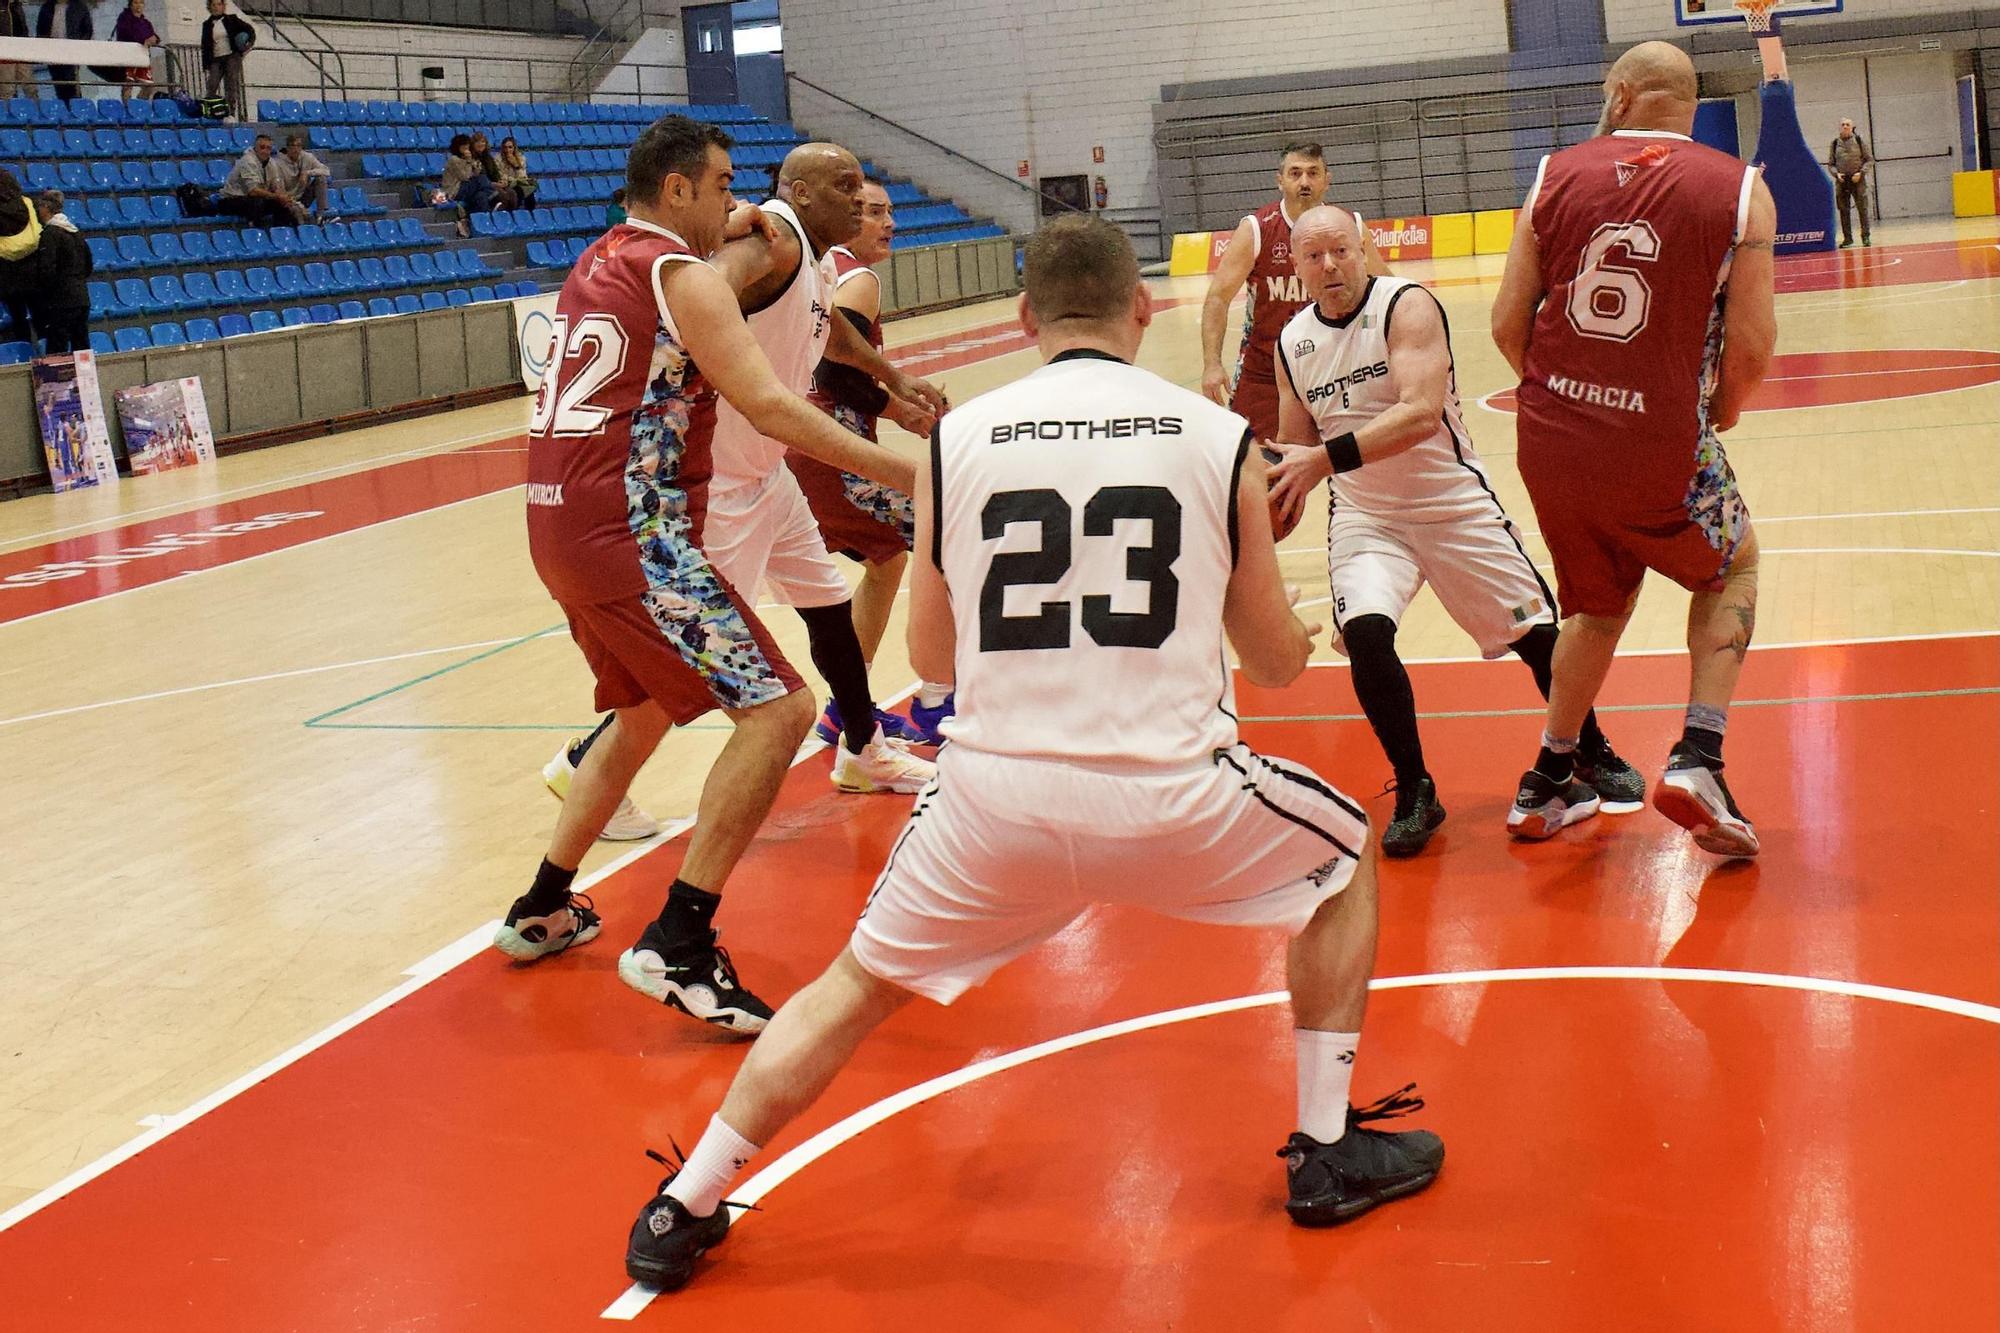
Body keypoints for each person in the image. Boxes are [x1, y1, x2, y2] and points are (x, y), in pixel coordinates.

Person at [621, 216, 1445, 1294]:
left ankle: (681, 1204)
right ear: (1139, 309)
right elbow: (1273, 664)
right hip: (1171, 796)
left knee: (852, 986)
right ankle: (1325, 1148)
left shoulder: (955, 445)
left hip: (989, 803)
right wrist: (1302, 623)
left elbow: (928, 654)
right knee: (1339, 862)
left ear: (1022, 319)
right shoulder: (1212, 435)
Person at [497, 115, 930, 1036]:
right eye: (722, 183)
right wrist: (924, 471)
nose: (735, 201)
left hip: (554, 519)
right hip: (634, 526)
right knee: (775, 711)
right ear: (680, 188)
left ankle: (543, 902)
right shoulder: (691, 269)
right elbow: (772, 405)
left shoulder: (598, 258)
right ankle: (680, 942)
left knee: (646, 710)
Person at [546, 146, 947, 831]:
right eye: (845, 188)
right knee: (689, 658)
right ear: (798, 191)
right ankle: (584, 763)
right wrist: (732, 227)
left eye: (867, 192)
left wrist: (893, 380)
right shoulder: (775, 240)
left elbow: (828, 341)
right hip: (719, 478)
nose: (860, 202)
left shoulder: (816, 260)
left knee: (827, 604)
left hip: (769, 471)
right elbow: (701, 294)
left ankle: (863, 750)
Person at [1265, 208, 1642, 856]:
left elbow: (1417, 415)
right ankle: (1415, 788)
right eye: (1312, 257)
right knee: (1365, 635)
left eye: (1339, 251)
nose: (1328, 266)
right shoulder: (1293, 342)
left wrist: (1321, 461)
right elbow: (1294, 451)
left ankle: (1586, 747)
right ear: (1295, 267)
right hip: (1366, 517)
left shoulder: (1406, 308)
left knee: (1538, 636)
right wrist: (1260, 503)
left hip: (1450, 503)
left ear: (1363, 250)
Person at [1490, 42, 1777, 857]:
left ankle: (1549, 776)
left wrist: (1573, 399)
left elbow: (1509, 325)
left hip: (1548, 440)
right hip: (1657, 442)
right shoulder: (1740, 192)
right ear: (1690, 105)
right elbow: (1752, 348)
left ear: (1619, 94)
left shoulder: (1552, 176)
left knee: (1596, 605)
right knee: (1734, 564)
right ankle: (1701, 757)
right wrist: (1709, 413)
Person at [787, 179, 955, 744]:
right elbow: (833, 373)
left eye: (890, 211)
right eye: (873, 212)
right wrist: (899, 407)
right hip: (828, 449)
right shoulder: (856, 278)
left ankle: (846, 707)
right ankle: (940, 698)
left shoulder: (819, 269)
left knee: (886, 559)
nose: (889, 222)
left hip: (807, 448)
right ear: (844, 213)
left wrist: (894, 402)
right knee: (949, 537)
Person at [1201, 141, 1390, 442]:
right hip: (1266, 373)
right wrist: (1212, 364)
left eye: (1313, 173)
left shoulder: (1351, 225)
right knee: (1261, 470)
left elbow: (1385, 291)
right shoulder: (1257, 229)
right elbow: (1217, 298)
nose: (1304, 182)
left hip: (1340, 368)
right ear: (1280, 180)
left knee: (1357, 463)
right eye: (1295, 173)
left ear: (1327, 179)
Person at [27, 189, 90, 354]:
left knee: (57, 347)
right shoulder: (75, 232)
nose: (38, 211)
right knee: (81, 345)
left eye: (40, 207)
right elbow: (88, 265)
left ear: (46, 208)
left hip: (61, 300)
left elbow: (47, 270)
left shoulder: (50, 234)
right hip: (81, 297)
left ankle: (57, 381)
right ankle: (86, 379)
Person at [217, 133, 295, 229]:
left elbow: (276, 186)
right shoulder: (247, 161)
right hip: (230, 200)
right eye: (262, 147)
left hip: (251, 200)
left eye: (268, 148)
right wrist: (276, 196)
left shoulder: (272, 163)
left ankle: (281, 234)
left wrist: (283, 198)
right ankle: (255, 231)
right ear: (255, 148)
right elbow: (253, 191)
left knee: (282, 205)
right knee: (257, 202)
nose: (265, 151)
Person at [0, 166, 38, 346]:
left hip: (6, 274)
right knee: (40, 317)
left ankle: (23, 352)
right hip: (32, 271)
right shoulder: (27, 203)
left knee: (18, 319)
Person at [199, 0, 254, 123]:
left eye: (219, 4)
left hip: (231, 56)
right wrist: (205, 64)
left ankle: (231, 114)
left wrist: (248, 45)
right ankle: (211, 111)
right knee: (212, 84)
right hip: (216, 58)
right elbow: (205, 46)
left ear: (223, 6)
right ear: (209, 7)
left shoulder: (232, 20)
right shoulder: (207, 24)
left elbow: (250, 30)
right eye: (213, 5)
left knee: (231, 85)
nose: (216, 7)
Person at [268, 133, 336, 223]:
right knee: (299, 212)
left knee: (321, 179)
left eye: (298, 146)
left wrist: (307, 173)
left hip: (303, 196)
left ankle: (321, 216)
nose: (296, 149)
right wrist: (299, 205)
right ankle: (303, 231)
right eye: (293, 146)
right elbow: (281, 193)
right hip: (287, 200)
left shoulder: (307, 157)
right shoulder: (277, 164)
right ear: (287, 148)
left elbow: (326, 171)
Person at [36, 0, 93, 103]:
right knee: (59, 84)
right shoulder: (47, 7)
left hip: (72, 53)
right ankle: (64, 110)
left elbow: (87, 30)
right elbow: (40, 29)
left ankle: (75, 111)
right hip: (52, 53)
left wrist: (79, 47)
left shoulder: (80, 6)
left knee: (72, 85)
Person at [1827, 117, 1872, 248]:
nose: (1845, 126)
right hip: (1842, 181)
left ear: (1852, 127)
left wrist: (1861, 173)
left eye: (1847, 124)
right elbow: (1831, 164)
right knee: (1843, 210)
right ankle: (1848, 238)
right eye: (1843, 125)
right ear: (1840, 127)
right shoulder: (1835, 143)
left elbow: (1869, 160)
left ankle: (1866, 236)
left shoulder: (1859, 141)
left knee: (1862, 209)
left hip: (1858, 180)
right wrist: (1836, 174)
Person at [442, 135, 499, 236]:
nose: (466, 150)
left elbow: (474, 173)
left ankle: (482, 223)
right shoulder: (454, 160)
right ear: (457, 148)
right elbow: (465, 176)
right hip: (455, 190)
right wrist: (469, 161)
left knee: (480, 196)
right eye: (463, 148)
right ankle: (492, 194)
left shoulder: (467, 159)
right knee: (480, 179)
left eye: (467, 147)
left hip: (467, 188)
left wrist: (475, 167)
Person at [110, 0, 160, 100]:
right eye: (136, 3)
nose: (138, 5)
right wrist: (144, 39)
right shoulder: (124, 18)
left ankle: (139, 106)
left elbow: (152, 36)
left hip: (142, 57)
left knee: (148, 86)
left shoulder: (145, 22)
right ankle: (127, 108)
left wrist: (155, 39)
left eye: (141, 3)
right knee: (128, 84)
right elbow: (129, 34)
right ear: (130, 5)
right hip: (128, 56)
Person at [498, 136, 536, 212]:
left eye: (510, 147)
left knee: (529, 191)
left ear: (514, 148)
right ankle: (514, 212)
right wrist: (512, 180)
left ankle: (530, 213)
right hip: (506, 183)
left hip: (518, 182)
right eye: (505, 147)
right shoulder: (498, 159)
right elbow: (500, 175)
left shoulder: (521, 158)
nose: (507, 150)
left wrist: (516, 165)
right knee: (518, 190)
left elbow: (523, 176)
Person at [0, 2, 27, 103]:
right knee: (8, 89)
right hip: (5, 53)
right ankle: (6, 112)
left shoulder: (18, 6)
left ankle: (37, 111)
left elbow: (23, 28)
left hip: (21, 51)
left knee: (30, 86)